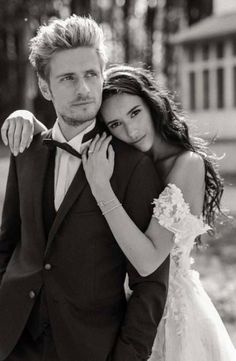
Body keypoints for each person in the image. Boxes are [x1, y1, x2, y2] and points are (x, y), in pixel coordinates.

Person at [3, 64, 236, 361]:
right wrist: (24, 118)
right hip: (121, 312)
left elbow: (148, 261)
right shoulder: (126, 161)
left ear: (152, 104)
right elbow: (65, 135)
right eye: (114, 124)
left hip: (174, 315)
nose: (131, 130)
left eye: (135, 113)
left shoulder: (187, 164)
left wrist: (102, 189)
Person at [0, 17, 171, 361]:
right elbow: (9, 242)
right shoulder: (26, 147)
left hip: (89, 348)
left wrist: (127, 356)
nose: (84, 89)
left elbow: (150, 284)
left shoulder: (133, 166)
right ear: (45, 88)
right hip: (13, 339)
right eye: (68, 78)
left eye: (92, 74)